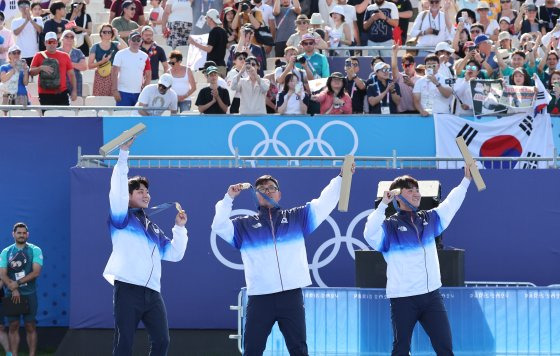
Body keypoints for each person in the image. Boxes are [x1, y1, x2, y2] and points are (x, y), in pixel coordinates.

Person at [211, 167, 355, 355]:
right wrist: (229, 198)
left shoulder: (297, 218)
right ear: (256, 196)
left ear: (279, 194)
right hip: (260, 297)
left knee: (299, 350)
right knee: (252, 350)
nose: (267, 191)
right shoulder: (243, 225)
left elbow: (323, 203)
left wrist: (341, 177)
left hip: (291, 297)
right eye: (261, 189)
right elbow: (219, 226)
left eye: (271, 187)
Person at [363, 165, 473, 355]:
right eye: (410, 190)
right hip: (403, 299)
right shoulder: (390, 227)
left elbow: (450, 205)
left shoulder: (429, 219)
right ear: (398, 196)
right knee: (401, 350)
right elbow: (368, 233)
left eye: (417, 190)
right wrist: (382, 205)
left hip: (431, 297)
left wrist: (466, 181)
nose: (416, 194)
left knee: (445, 348)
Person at [104, 138, 188, 355]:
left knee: (162, 342)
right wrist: (123, 154)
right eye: (140, 191)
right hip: (128, 289)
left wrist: (179, 229)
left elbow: (174, 254)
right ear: (128, 196)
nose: (146, 194)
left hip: (153, 293)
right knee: (124, 344)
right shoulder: (121, 217)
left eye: (147, 192)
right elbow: (117, 190)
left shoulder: (153, 228)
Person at [0, 222, 43, 356]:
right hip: (11, 294)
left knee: (30, 326)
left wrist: (16, 284)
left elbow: (36, 272)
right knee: (13, 326)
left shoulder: (35, 250)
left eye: (24, 233)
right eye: (19, 233)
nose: (22, 235)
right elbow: (2, 273)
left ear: (27, 234)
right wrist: (13, 289)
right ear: (13, 234)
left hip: (30, 294)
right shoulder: (6, 252)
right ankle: (14, 354)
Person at [30, 31, 77, 105]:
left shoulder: (65, 56)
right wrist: (40, 68)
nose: (52, 44)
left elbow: (71, 75)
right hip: (45, 93)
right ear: (45, 43)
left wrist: (74, 90)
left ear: (57, 43)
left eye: (54, 42)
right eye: (49, 42)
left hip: (62, 92)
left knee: (64, 115)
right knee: (47, 116)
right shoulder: (38, 55)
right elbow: (31, 72)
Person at [111, 31, 151, 107]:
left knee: (138, 118)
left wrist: (144, 92)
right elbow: (114, 72)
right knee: (122, 117)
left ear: (141, 42)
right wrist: (115, 90)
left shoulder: (145, 56)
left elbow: (148, 75)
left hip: (138, 93)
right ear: (129, 41)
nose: (136, 42)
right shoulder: (120, 54)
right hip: (122, 92)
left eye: (138, 40)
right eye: (134, 39)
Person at [88, 24, 127, 96]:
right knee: (99, 100)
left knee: (112, 100)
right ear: (101, 33)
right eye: (104, 32)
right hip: (100, 76)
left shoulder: (116, 44)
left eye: (109, 32)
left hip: (113, 76)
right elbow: (90, 65)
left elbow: (126, 49)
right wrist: (102, 62)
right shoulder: (95, 47)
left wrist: (117, 36)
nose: (107, 34)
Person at [187, 9, 228, 77]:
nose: (206, 19)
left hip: (213, 67)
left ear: (211, 19)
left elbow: (209, 49)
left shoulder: (213, 32)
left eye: (206, 18)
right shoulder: (223, 31)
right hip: (222, 66)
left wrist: (194, 43)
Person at [11, 0, 44, 66]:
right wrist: (26, 21)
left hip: (34, 53)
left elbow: (40, 30)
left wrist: (30, 20)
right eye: (21, 6)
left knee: (34, 74)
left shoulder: (38, 19)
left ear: (29, 7)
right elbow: (16, 33)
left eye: (25, 6)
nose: (23, 8)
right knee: (22, 75)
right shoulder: (15, 21)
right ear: (19, 8)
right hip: (21, 54)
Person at [58, 29, 86, 98]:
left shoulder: (78, 52)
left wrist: (68, 63)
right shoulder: (57, 51)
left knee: (76, 105)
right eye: (66, 36)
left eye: (71, 37)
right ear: (62, 39)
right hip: (60, 82)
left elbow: (84, 67)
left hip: (76, 83)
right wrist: (75, 65)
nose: (69, 38)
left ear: (74, 40)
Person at [391, 44, 418, 113]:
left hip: (417, 112)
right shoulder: (399, 76)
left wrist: (413, 85)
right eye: (405, 65)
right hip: (401, 113)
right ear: (402, 66)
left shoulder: (420, 79)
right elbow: (394, 67)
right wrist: (394, 53)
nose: (408, 67)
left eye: (410, 65)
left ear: (414, 64)